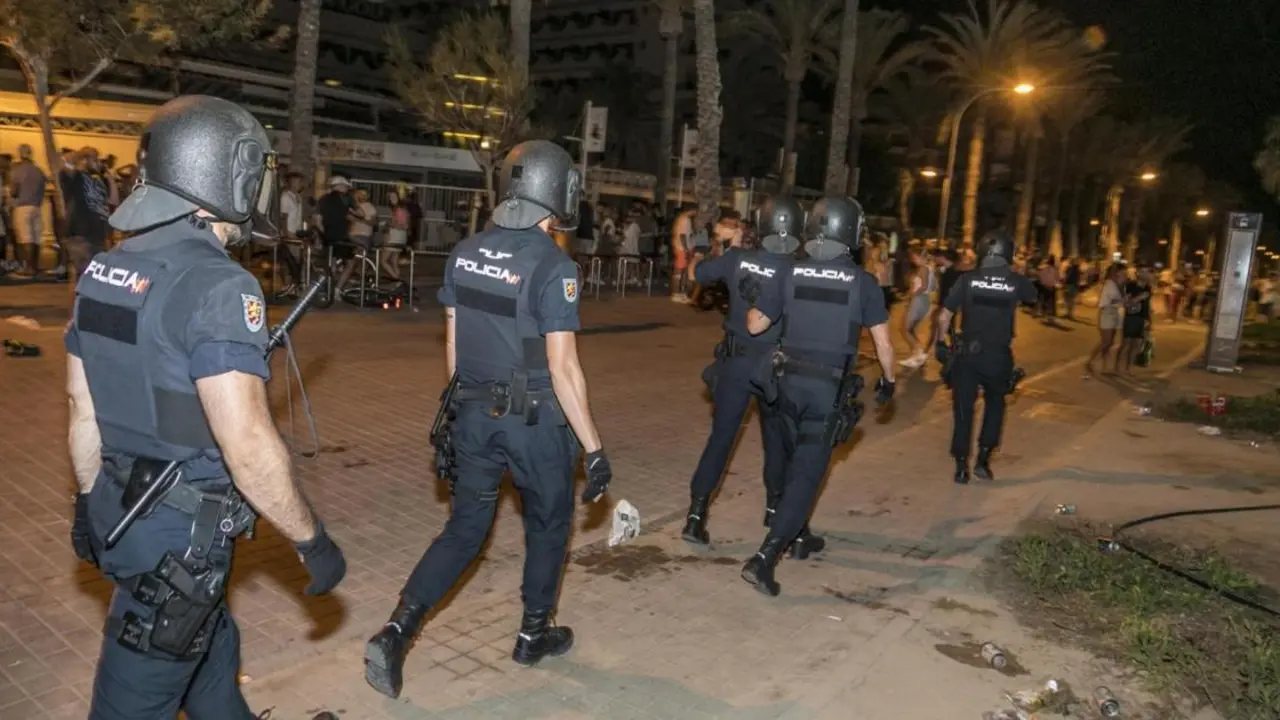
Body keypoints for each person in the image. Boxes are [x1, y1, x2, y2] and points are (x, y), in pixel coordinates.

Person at [64, 95, 345, 719]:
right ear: (233, 175)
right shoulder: (222, 286)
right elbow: (247, 446)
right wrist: (311, 539)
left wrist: (87, 503)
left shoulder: (104, 270)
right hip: (180, 550)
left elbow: (83, 410)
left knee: (214, 662)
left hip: (122, 515)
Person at [364, 139, 612, 698]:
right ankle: (532, 634)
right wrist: (594, 447)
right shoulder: (555, 265)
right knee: (548, 527)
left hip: (473, 413)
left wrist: (458, 410)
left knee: (464, 530)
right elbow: (564, 367)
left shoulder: (465, 251)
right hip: (534, 423)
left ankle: (397, 630)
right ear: (556, 193)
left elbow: (454, 344)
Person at [740, 196, 897, 596]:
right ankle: (765, 558)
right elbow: (883, 344)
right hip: (824, 393)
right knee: (807, 476)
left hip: (784, 387)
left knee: (790, 464)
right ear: (851, 233)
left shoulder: (789, 274)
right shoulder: (863, 283)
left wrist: (754, 299)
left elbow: (756, 325)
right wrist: (889, 380)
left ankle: (801, 537)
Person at [680, 196, 801, 551]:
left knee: (720, 439)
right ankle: (773, 509)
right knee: (775, 441)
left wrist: (707, 249)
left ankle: (696, 516)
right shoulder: (795, 268)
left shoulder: (736, 259)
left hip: (735, 362)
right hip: (775, 365)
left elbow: (695, 275)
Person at [933, 230, 1037, 484]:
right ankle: (983, 460)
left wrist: (940, 342)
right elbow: (1034, 297)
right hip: (997, 356)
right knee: (995, 406)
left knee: (963, 410)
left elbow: (944, 314)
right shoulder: (1015, 281)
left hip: (967, 355)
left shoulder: (967, 279)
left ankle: (960, 466)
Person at [9, 143, 47, 278]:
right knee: (36, 238)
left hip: (22, 207)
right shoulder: (39, 171)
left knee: (26, 238)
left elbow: (14, 191)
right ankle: (35, 266)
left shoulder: (17, 170)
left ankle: (28, 268)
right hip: (37, 207)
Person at [1085, 264, 1126, 378]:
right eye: (1122, 273)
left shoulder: (1117, 284)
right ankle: (1089, 361)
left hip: (1114, 313)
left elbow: (1119, 299)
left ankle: (1105, 367)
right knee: (1106, 342)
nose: (1124, 275)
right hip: (1106, 313)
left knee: (1110, 341)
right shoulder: (1109, 284)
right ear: (1115, 273)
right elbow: (1110, 301)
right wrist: (1123, 301)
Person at [1119, 268, 1153, 373]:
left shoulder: (1148, 288)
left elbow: (1147, 305)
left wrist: (1149, 319)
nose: (1147, 274)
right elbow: (1126, 303)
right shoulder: (1131, 286)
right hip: (1131, 317)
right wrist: (1139, 298)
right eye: (1143, 272)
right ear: (1138, 274)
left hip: (1142, 318)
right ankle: (1117, 366)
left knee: (1137, 344)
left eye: (1147, 272)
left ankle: (1128, 367)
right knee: (1125, 344)